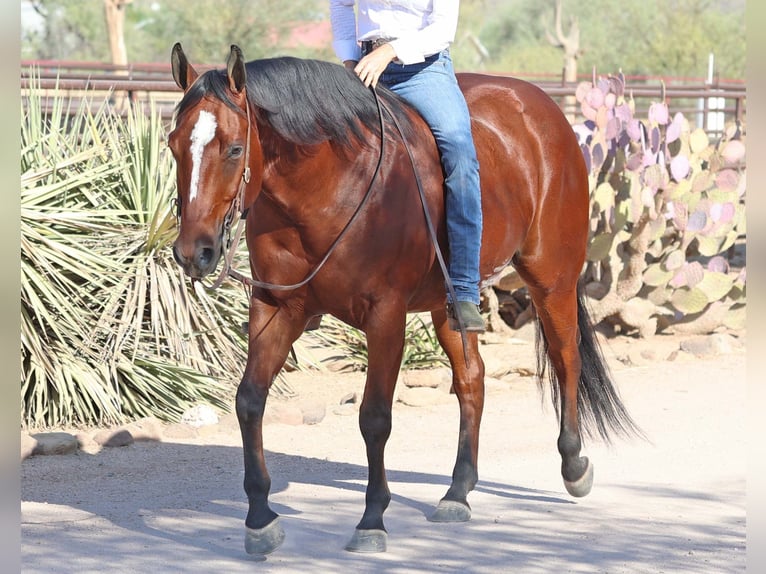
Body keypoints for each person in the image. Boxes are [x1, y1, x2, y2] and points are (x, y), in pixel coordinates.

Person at [329, 0, 485, 332]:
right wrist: (348, 57)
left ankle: (464, 289)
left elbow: (442, 29)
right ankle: (310, 288)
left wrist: (390, 52)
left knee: (459, 153)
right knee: (324, 147)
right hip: (365, 67)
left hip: (424, 71)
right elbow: (341, 5)